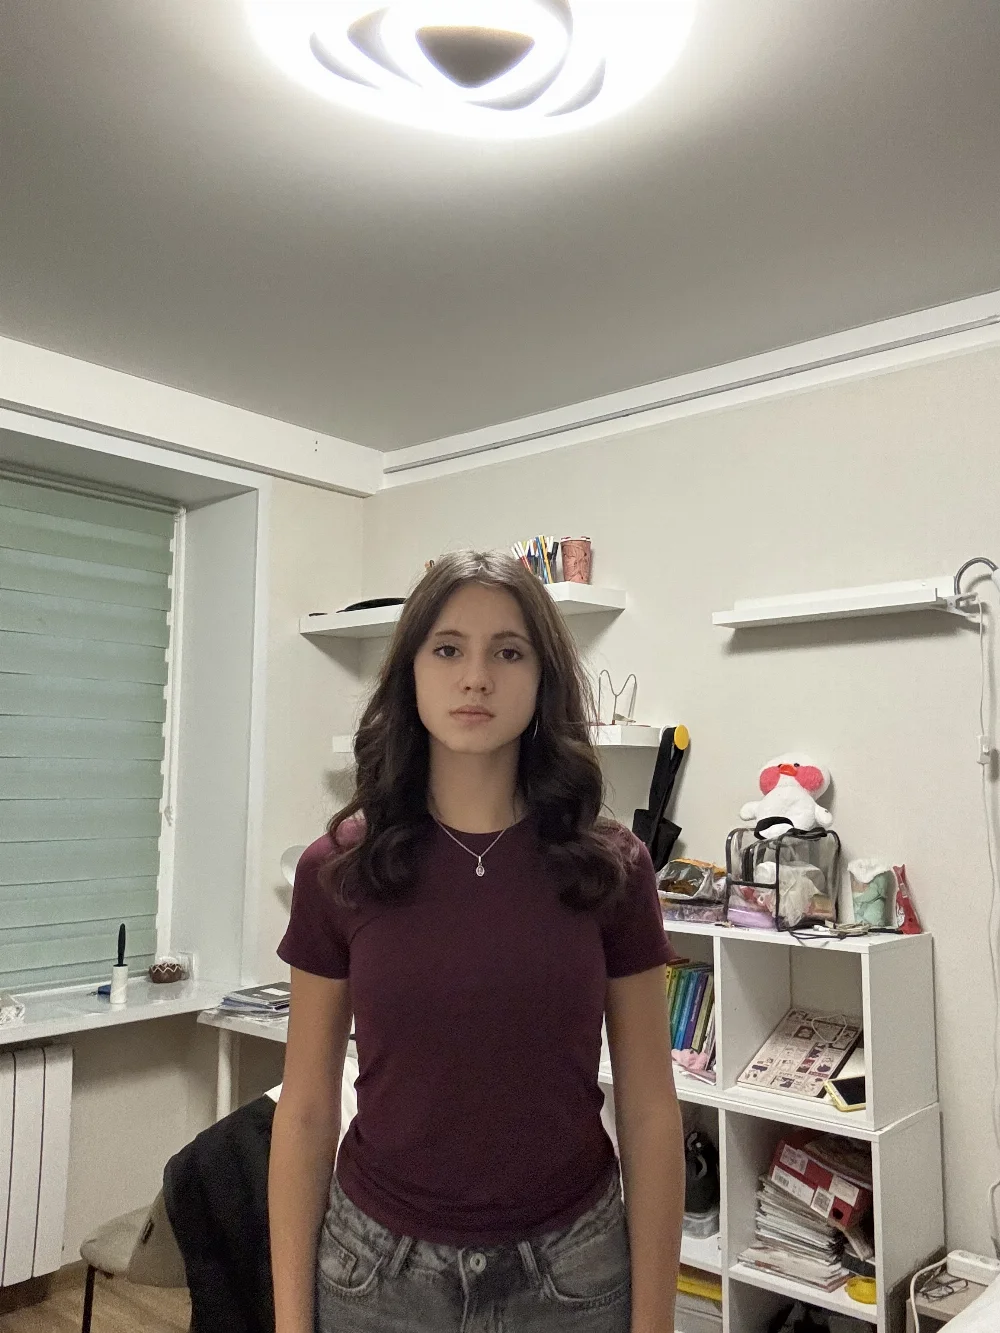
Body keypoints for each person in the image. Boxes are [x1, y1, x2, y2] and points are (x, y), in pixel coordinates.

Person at [269, 550, 684, 1333]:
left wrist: (655, 1322)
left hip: (573, 1271)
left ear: (543, 677)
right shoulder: (339, 869)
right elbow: (306, 1110)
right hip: (378, 1275)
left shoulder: (613, 867)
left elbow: (651, 1109)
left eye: (509, 651)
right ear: (410, 672)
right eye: (448, 648)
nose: (476, 678)